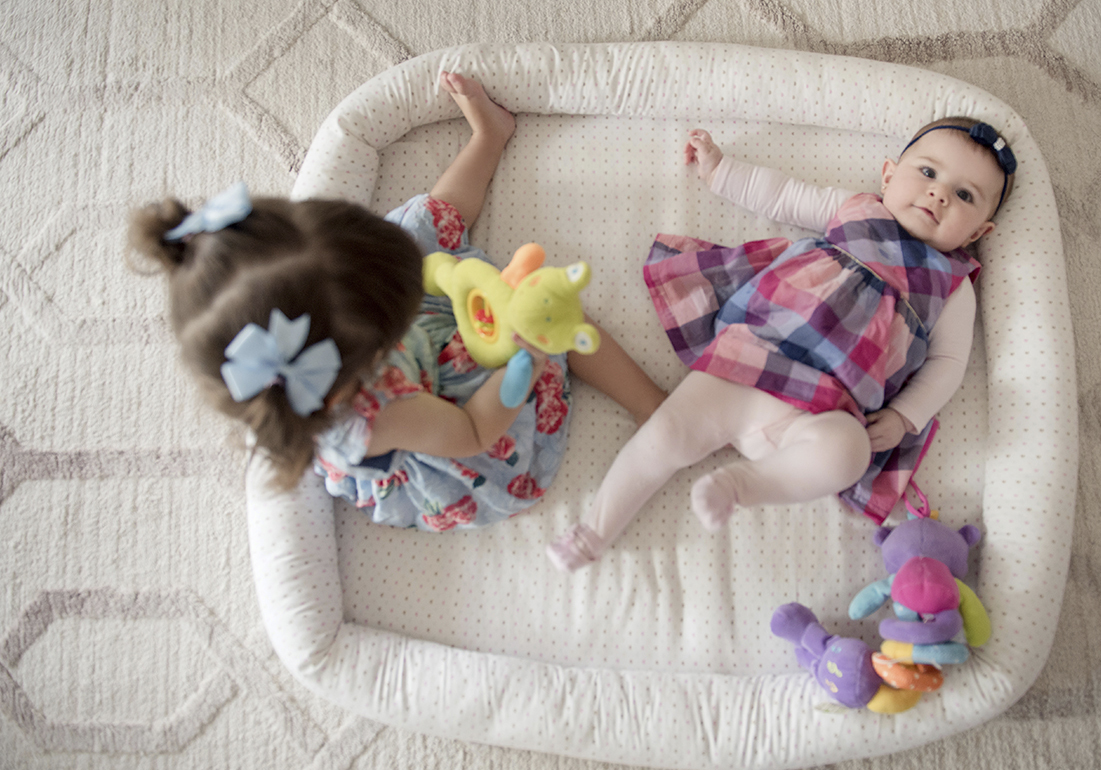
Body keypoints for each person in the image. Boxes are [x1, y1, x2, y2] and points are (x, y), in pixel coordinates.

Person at [128, 72, 666, 532]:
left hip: (390, 343)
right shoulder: (373, 416)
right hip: (460, 425)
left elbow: (398, 255)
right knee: (552, 322)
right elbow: (474, 433)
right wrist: (521, 360)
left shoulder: (310, 296)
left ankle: (490, 136)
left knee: (424, 226)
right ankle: (656, 411)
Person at [548, 118, 1016, 571]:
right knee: (667, 432)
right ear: (889, 175)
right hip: (752, 355)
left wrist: (902, 417)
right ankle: (593, 531)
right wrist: (720, 169)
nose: (938, 194)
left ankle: (744, 484)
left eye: (964, 195)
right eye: (929, 172)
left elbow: (949, 365)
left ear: (978, 234)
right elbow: (785, 196)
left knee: (847, 453)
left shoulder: (954, 286)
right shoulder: (855, 208)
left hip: (827, 409)